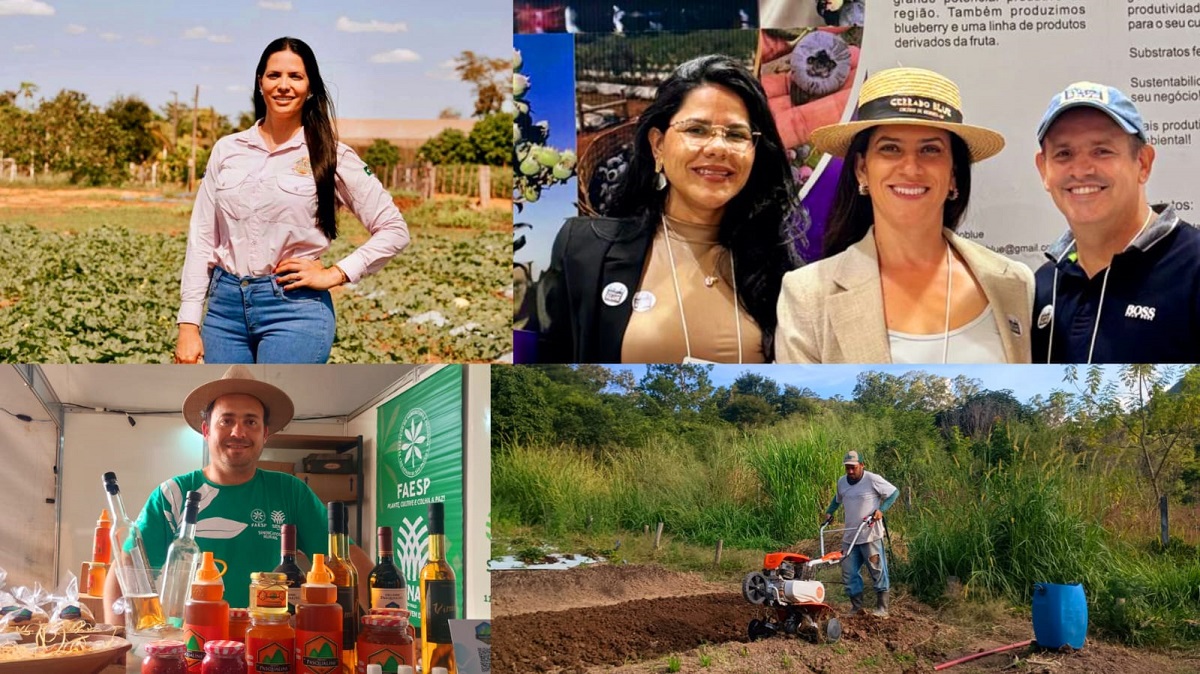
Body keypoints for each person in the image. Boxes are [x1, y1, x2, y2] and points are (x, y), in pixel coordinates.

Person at [531, 54, 801, 363]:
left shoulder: (781, 271)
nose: (717, 147)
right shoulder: (582, 249)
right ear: (658, 145)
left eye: (736, 134)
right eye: (696, 130)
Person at [175, 36, 410, 364]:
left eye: (295, 77)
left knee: (280, 403)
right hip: (223, 312)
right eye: (274, 76)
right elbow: (201, 238)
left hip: (295, 310)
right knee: (231, 399)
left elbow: (394, 229)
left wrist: (335, 273)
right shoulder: (227, 150)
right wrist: (188, 322)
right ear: (260, 83)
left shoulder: (333, 155)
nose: (283, 85)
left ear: (310, 87)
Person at [775, 67, 1035, 363]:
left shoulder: (1013, 283)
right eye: (890, 149)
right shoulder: (807, 295)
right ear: (862, 169)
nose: (911, 168)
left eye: (930, 150)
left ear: (954, 174)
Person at [102, 365, 371, 622]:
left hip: (272, 648)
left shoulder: (291, 492)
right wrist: (118, 644)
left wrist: (378, 623)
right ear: (206, 430)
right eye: (226, 420)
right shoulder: (172, 495)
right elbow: (125, 570)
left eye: (251, 422)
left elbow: (347, 561)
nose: (238, 432)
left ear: (265, 434)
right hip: (190, 651)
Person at [1031, 81, 1200, 363]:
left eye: (1102, 151)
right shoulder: (1043, 285)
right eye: (1064, 154)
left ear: (1143, 163)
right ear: (1044, 170)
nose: (1082, 169)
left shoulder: (1192, 268)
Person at [822, 450, 898, 617]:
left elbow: (893, 493)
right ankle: (856, 608)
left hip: (870, 535)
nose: (850, 471)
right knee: (849, 573)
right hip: (850, 537)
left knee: (877, 570)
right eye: (847, 468)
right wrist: (830, 512)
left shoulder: (872, 479)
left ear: (862, 465)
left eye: (853, 468)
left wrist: (881, 510)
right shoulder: (842, 482)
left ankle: (882, 608)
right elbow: (837, 499)